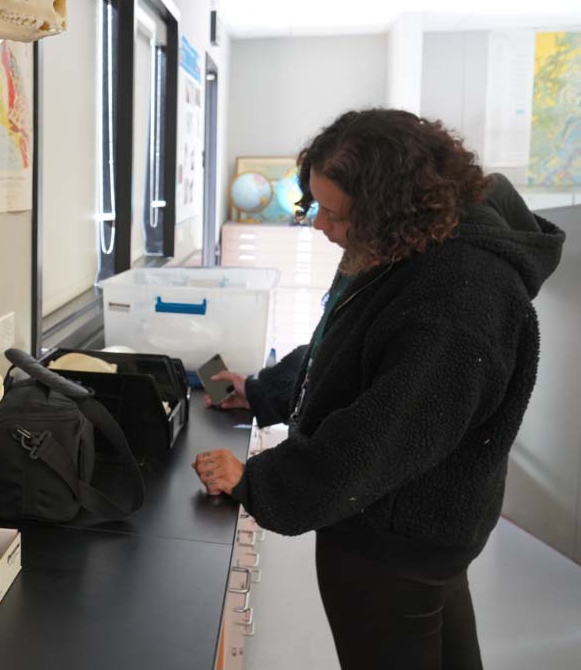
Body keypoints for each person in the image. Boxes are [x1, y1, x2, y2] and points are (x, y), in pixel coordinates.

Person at [191, 109, 565, 670]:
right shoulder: (410, 244)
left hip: (396, 536)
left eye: (335, 214)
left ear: (389, 209)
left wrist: (261, 481)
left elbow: (387, 431)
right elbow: (349, 345)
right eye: (315, 205)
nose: (319, 224)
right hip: (429, 522)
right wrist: (264, 391)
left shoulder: (460, 294)